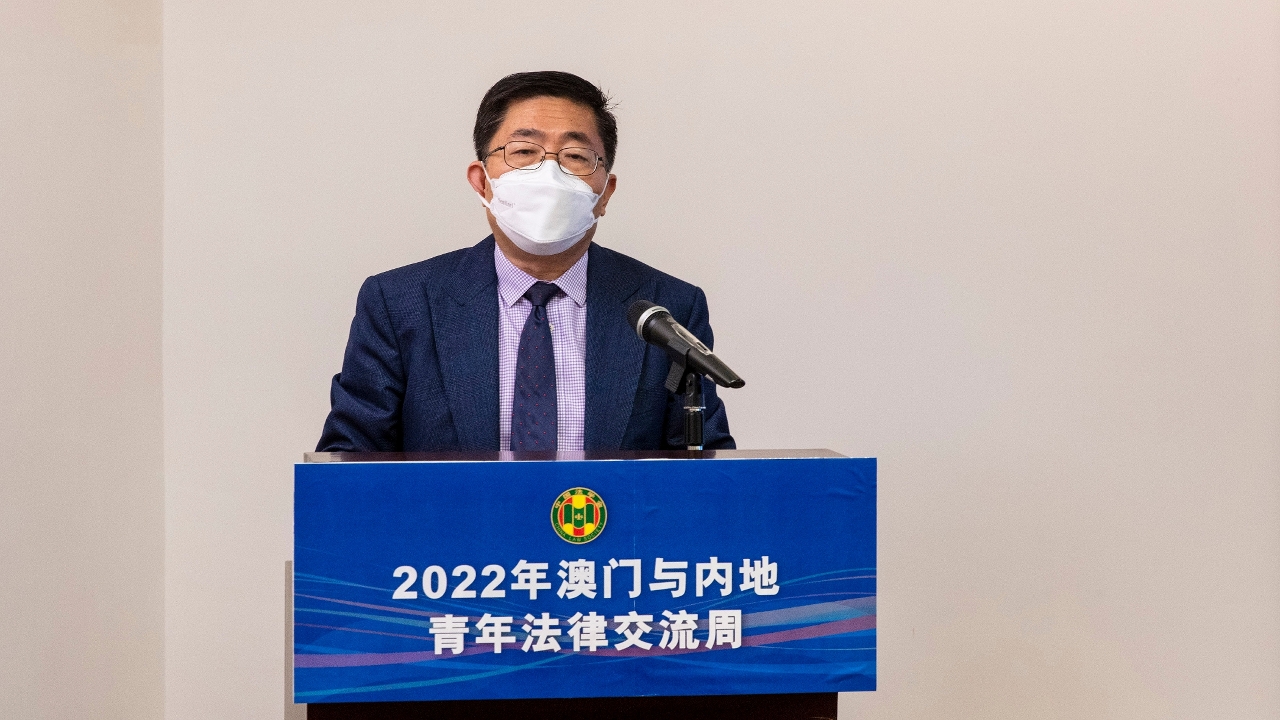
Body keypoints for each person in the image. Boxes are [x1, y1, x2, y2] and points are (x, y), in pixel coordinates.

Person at [317, 71, 734, 452]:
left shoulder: (668, 307)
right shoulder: (399, 304)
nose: (548, 173)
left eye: (575, 156)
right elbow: (349, 464)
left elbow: (706, 472)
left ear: (605, 193)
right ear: (482, 182)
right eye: (523, 151)